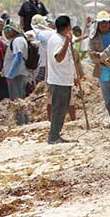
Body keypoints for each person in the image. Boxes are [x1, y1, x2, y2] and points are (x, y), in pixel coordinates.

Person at [47, 15, 77, 144]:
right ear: (67, 27)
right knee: (58, 109)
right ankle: (53, 136)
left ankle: (56, 134)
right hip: (58, 80)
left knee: (61, 109)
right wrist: (66, 42)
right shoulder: (57, 40)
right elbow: (58, 58)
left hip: (64, 79)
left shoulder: (62, 38)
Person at [90, 11, 110, 126]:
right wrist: (100, 60)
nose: (103, 25)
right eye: (101, 23)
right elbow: (92, 54)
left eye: (105, 22)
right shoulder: (94, 38)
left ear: (109, 23)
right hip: (102, 71)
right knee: (108, 100)